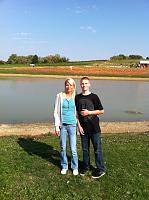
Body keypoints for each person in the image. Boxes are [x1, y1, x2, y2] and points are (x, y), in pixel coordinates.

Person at [75, 77, 105, 178]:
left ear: (89, 84)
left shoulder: (94, 97)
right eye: (82, 83)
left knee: (97, 149)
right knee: (85, 149)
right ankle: (86, 166)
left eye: (86, 83)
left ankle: (100, 169)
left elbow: (101, 111)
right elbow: (76, 114)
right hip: (83, 128)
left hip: (94, 128)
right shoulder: (77, 97)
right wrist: (79, 126)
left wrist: (89, 112)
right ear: (80, 85)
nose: (84, 85)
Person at [54, 78, 78, 175]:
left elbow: (77, 112)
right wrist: (56, 126)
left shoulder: (76, 97)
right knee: (63, 147)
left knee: (73, 148)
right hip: (62, 125)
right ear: (65, 86)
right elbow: (56, 111)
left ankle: (75, 166)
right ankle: (64, 166)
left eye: (71, 85)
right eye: (67, 85)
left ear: (74, 86)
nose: (69, 87)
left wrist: (78, 124)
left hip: (72, 125)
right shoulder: (59, 96)